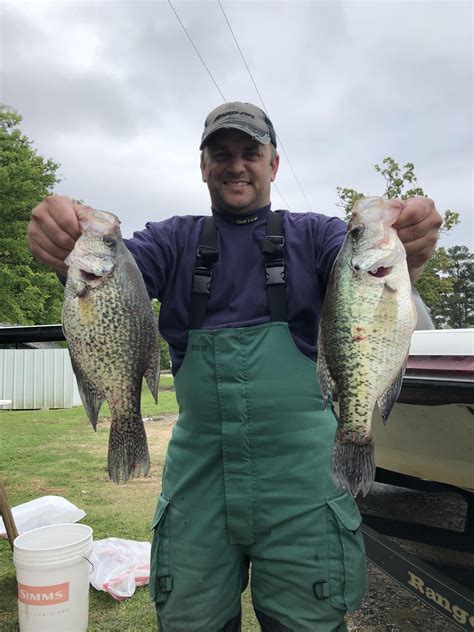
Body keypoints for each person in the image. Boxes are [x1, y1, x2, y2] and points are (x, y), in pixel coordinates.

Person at [28, 102, 442, 632]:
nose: (236, 165)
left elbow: (377, 298)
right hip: (198, 484)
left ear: (274, 164)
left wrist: (413, 253)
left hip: (306, 486)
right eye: (220, 154)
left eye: (251, 152)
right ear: (203, 166)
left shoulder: (319, 237)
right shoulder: (170, 241)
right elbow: (108, 281)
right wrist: (61, 237)